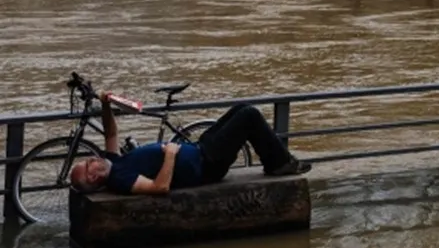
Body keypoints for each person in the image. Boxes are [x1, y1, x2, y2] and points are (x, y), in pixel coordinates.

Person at [69, 92, 310, 196]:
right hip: (207, 166)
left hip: (200, 150)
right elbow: (159, 188)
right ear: (93, 178)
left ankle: (275, 162)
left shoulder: (113, 163)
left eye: (89, 159)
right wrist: (171, 154)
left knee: (241, 110)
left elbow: (110, 132)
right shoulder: (120, 179)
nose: (93, 158)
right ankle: (280, 164)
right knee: (249, 116)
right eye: (88, 164)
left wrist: (106, 104)